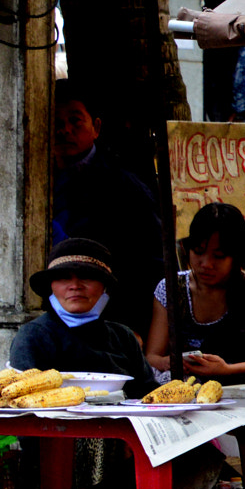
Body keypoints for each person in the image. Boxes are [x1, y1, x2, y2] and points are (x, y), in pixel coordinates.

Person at [52, 82, 165, 335]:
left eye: (75, 121)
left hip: (113, 316)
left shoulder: (124, 186)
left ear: (96, 128)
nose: (65, 130)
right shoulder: (35, 181)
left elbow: (150, 262)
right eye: (57, 122)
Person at [145, 203, 245, 382]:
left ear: (237, 256)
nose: (206, 264)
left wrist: (226, 369)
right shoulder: (170, 289)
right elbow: (151, 356)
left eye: (218, 256)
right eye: (198, 252)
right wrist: (170, 362)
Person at [11, 238, 154, 398]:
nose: (75, 286)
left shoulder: (123, 337)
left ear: (104, 287)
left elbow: (149, 392)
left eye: (86, 277)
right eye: (64, 278)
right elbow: (22, 398)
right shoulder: (33, 336)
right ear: (51, 286)